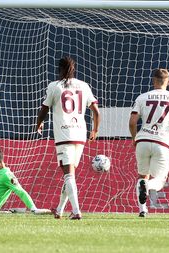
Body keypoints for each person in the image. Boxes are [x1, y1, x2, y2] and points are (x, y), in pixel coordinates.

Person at [35, 56, 100, 220]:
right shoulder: (84, 86)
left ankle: (77, 211)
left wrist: (39, 123)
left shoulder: (55, 86)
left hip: (64, 135)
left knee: (68, 175)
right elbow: (96, 111)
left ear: (60, 69)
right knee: (69, 174)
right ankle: (59, 209)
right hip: (80, 134)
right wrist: (95, 130)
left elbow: (44, 109)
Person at [129, 68, 169, 218]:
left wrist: (134, 138)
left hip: (142, 140)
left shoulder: (142, 97)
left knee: (142, 175)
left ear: (153, 80)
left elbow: (132, 122)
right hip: (162, 142)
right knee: (160, 181)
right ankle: (146, 187)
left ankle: (142, 209)